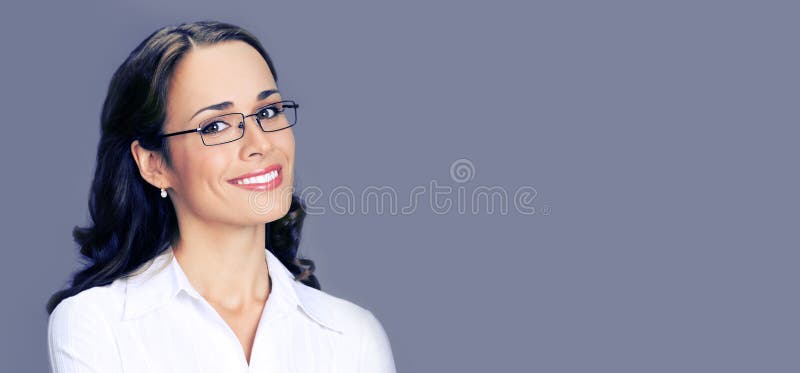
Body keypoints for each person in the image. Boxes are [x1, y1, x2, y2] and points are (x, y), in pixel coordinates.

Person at [45, 20, 396, 372]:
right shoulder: (96, 326)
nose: (260, 144)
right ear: (153, 164)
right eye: (215, 126)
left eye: (268, 112)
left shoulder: (353, 337)